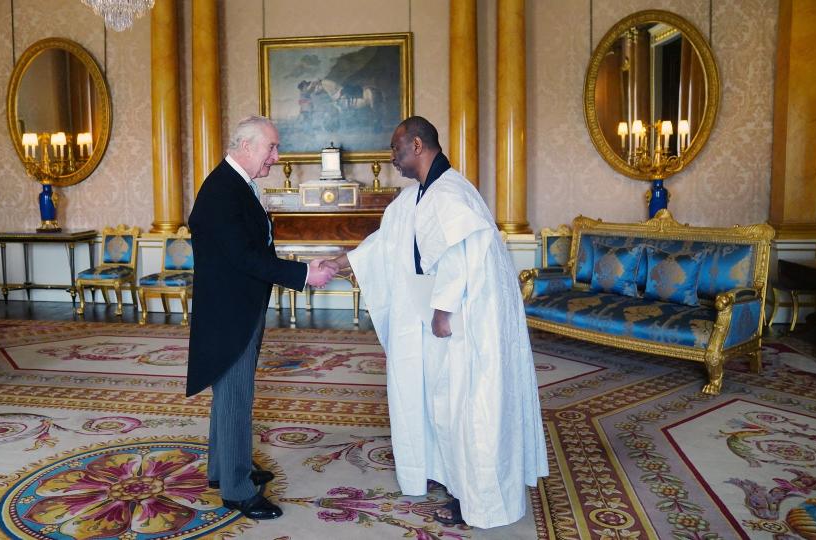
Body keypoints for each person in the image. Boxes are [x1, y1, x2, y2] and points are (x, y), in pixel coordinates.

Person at [325, 116, 548, 528]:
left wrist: (443, 311)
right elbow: (385, 241)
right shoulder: (418, 197)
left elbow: (462, 255)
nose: (391, 157)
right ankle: (444, 472)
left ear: (415, 145)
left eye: (395, 148)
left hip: (466, 320)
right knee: (438, 400)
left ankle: (475, 500)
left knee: (467, 405)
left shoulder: (450, 194)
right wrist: (341, 263)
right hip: (437, 312)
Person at [186, 115, 335, 520]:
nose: (276, 156)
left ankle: (223, 468)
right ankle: (236, 489)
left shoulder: (236, 184)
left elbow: (255, 250)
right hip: (229, 313)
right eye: (272, 147)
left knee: (231, 395)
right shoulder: (222, 191)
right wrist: (305, 275)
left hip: (237, 306)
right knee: (235, 397)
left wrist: (305, 265)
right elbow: (243, 257)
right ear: (246, 146)